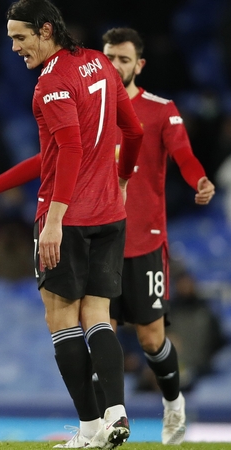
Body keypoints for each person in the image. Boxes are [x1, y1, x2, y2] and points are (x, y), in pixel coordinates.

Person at [0, 1, 144, 448]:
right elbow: (131, 133)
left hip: (66, 218)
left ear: (46, 30)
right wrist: (124, 181)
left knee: (61, 320)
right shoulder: (99, 62)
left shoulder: (51, 84)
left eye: (20, 37)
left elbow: (69, 150)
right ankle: (115, 414)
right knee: (98, 316)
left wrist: (54, 221)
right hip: (110, 215)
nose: (14, 46)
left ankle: (92, 428)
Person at [101, 27, 217, 446]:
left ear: (139, 64)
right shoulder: (89, 111)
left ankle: (173, 404)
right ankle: (108, 424)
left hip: (144, 241)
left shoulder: (161, 110)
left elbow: (183, 154)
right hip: (100, 242)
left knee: (151, 339)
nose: (116, 66)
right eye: (110, 57)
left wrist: (200, 179)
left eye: (124, 59)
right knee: (102, 333)